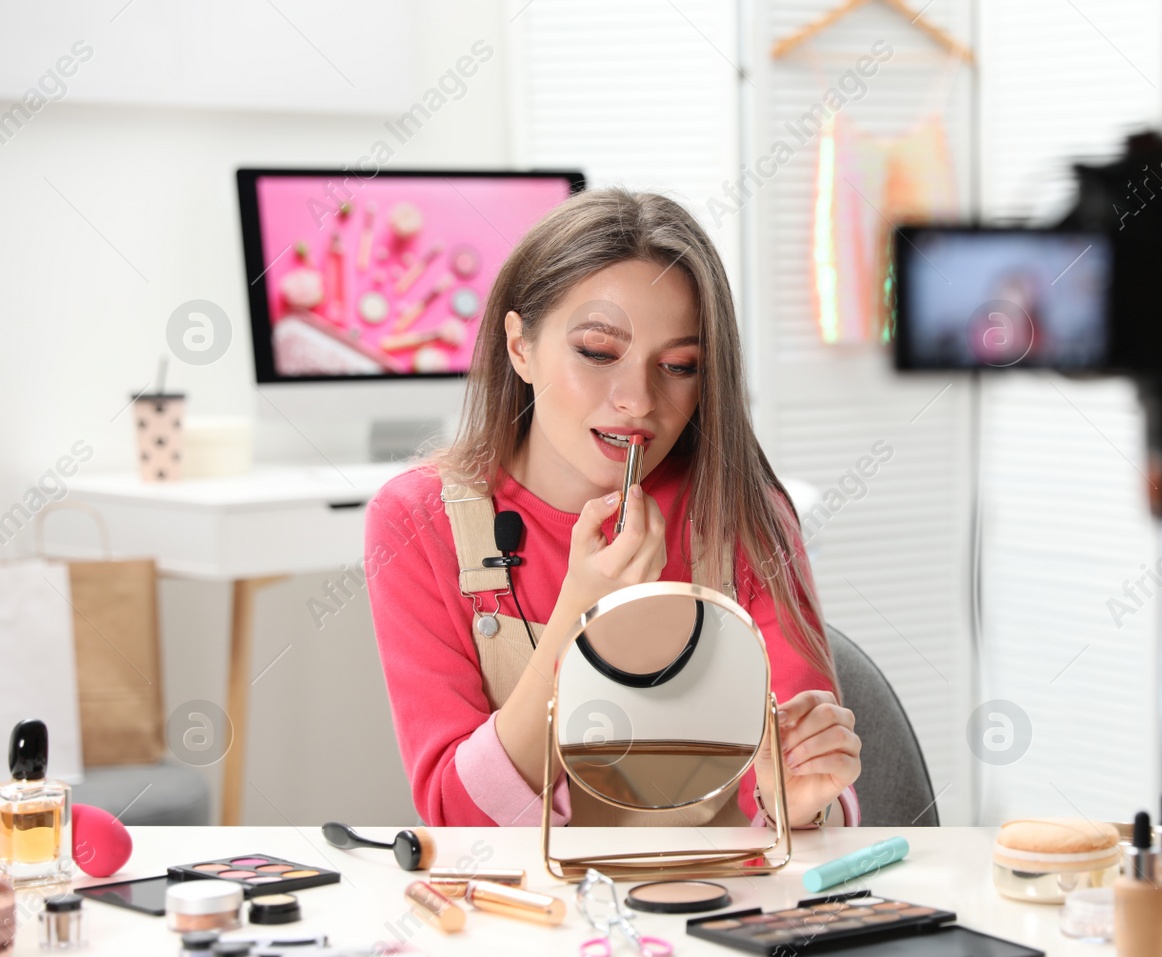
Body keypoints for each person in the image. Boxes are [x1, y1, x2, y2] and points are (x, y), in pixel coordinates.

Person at [364, 188, 863, 829]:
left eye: (680, 365)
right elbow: (461, 822)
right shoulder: (417, 521)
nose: (638, 400)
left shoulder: (744, 512)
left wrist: (799, 794)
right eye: (598, 353)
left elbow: (809, 807)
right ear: (519, 347)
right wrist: (580, 619)